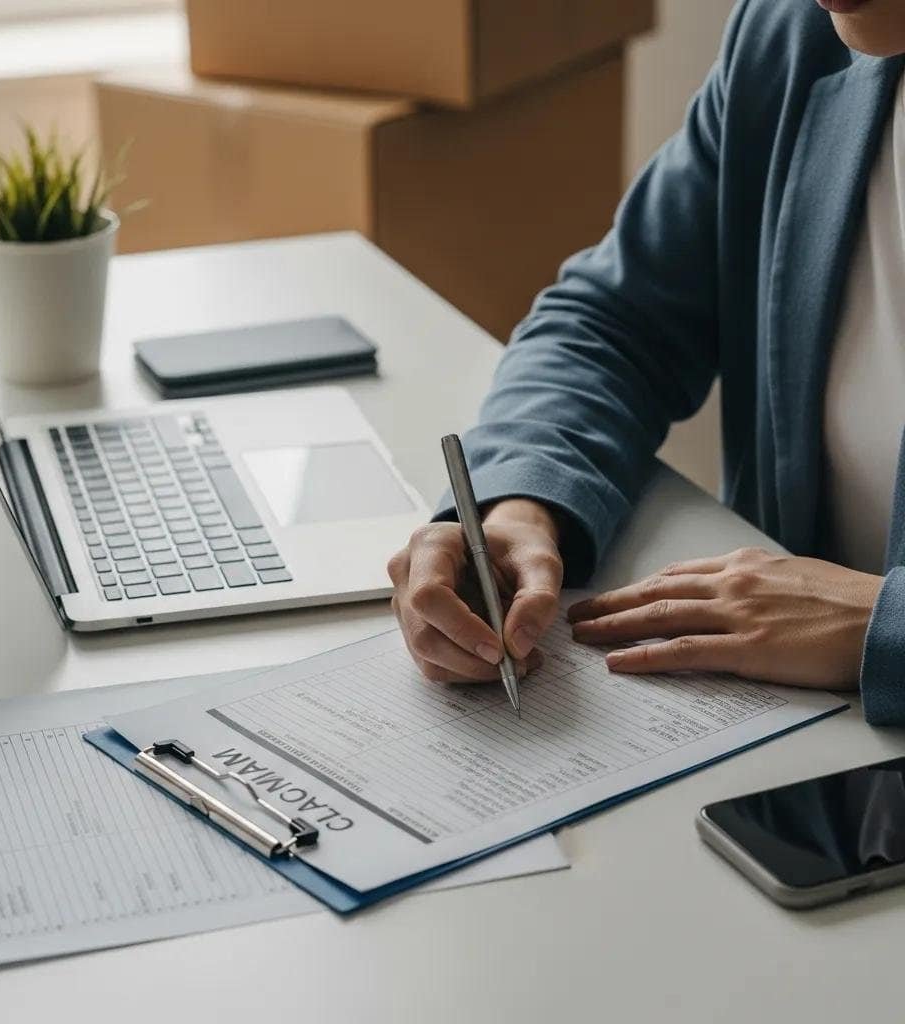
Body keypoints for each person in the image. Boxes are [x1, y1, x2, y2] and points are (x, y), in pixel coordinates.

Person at [386, 0, 905, 725]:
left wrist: (882, 625)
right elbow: (615, 322)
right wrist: (522, 504)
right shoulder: (789, 37)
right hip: (788, 745)